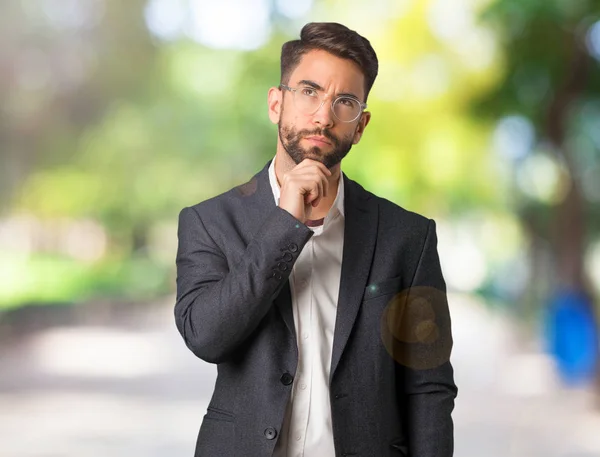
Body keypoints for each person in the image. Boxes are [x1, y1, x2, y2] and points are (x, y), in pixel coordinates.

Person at [174, 21, 458, 457]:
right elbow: (207, 337)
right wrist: (285, 224)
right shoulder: (210, 222)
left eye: (343, 102)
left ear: (359, 126)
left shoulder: (409, 237)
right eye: (309, 92)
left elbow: (429, 386)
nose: (324, 116)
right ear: (276, 103)